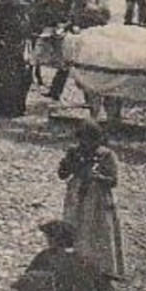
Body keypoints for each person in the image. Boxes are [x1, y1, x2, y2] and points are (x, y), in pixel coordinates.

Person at [59, 118, 125, 281]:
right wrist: (66, 165)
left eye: (90, 140)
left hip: (97, 199)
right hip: (76, 195)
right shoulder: (74, 152)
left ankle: (100, 265)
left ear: (98, 140)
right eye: (82, 139)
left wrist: (98, 177)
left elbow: (113, 181)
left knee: (97, 229)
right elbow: (62, 175)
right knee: (74, 225)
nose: (85, 143)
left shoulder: (106, 155)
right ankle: (75, 261)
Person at [28, 219, 111, 291]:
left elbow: (29, 283)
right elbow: (100, 289)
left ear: (53, 239)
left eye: (48, 237)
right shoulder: (88, 261)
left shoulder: (46, 258)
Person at [0, 0, 34, 118]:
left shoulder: (22, 19)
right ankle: (7, 109)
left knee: (21, 80)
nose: (24, 13)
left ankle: (12, 107)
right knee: (10, 82)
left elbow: (28, 34)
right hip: (7, 57)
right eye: (21, 10)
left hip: (18, 55)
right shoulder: (7, 22)